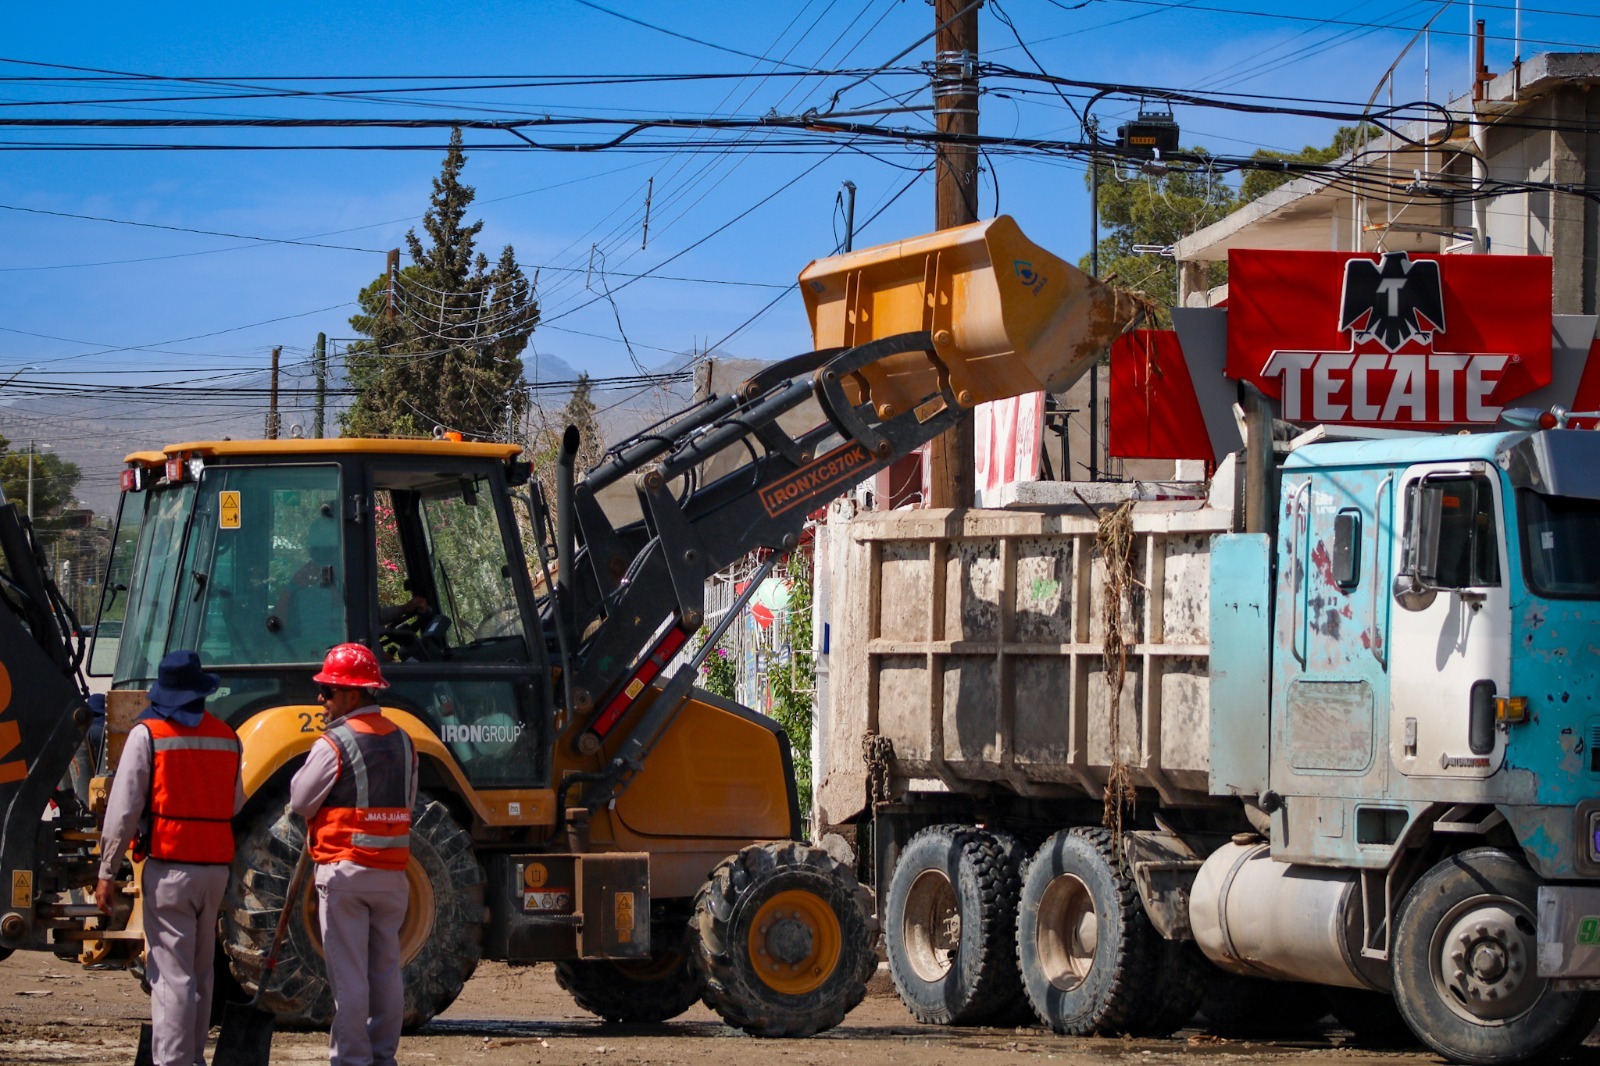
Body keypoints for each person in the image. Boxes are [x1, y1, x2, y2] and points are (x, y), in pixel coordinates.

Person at [96, 650, 243, 1066]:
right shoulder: (228, 737)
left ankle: (174, 1061)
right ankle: (193, 1057)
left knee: (170, 975)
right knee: (200, 972)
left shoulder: (149, 734)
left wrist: (107, 871)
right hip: (215, 870)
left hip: (170, 868)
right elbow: (233, 804)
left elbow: (122, 810)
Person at [290, 643, 417, 1066]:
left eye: (328, 690)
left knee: (349, 975)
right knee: (385, 971)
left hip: (345, 872)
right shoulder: (404, 741)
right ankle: (383, 1057)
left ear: (353, 694)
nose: (321, 699)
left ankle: (351, 1060)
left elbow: (302, 801)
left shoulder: (334, 743)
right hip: (393, 875)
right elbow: (408, 802)